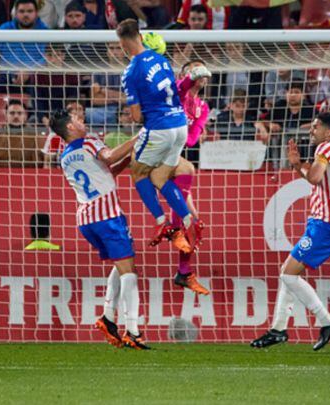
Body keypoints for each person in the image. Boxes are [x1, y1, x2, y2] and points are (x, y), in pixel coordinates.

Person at [49, 109, 150, 350]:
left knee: (123, 264)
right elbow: (109, 156)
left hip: (86, 219)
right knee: (129, 272)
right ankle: (133, 331)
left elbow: (103, 172)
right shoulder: (90, 141)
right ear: (70, 128)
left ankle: (107, 317)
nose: (82, 121)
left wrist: (127, 159)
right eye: (78, 119)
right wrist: (141, 136)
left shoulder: (64, 156)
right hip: (108, 215)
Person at [250, 112, 330, 351]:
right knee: (288, 272)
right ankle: (278, 329)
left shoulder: (325, 149)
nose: (311, 131)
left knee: (288, 275)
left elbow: (314, 177)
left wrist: (303, 165)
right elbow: (317, 177)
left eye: (316, 127)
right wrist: (296, 165)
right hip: (328, 224)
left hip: (326, 226)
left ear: (328, 132)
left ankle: (327, 322)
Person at [116, 18, 198, 253]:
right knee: (160, 177)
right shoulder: (162, 60)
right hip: (180, 125)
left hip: (159, 127)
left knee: (138, 170)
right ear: (140, 36)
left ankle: (162, 223)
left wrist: (141, 109)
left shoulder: (131, 72)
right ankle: (189, 219)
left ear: (122, 44)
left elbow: (135, 115)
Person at [170, 59, 212, 295]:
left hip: (176, 158)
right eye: (195, 69)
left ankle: (183, 271)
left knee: (195, 223)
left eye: (202, 69)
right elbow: (180, 90)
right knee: (186, 217)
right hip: (158, 151)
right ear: (185, 74)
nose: (201, 73)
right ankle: (175, 230)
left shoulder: (202, 107)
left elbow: (191, 139)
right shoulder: (174, 91)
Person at [0, 100, 42, 168]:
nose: (16, 116)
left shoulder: (35, 135)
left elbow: (38, 163)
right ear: (6, 115)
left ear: (25, 116)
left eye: (20, 113)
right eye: (12, 113)